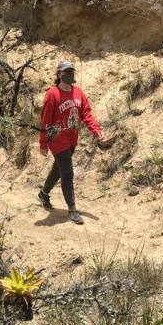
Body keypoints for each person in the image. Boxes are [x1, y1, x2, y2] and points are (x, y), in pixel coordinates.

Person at [37, 60, 103, 225]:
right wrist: (43, 143)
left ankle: (43, 194)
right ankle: (72, 209)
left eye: (72, 71)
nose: (70, 74)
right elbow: (45, 120)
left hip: (72, 138)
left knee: (58, 170)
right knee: (67, 173)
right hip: (57, 139)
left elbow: (86, 114)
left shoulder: (78, 93)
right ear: (59, 74)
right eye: (66, 71)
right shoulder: (52, 94)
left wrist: (95, 130)